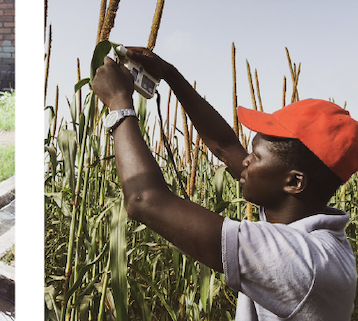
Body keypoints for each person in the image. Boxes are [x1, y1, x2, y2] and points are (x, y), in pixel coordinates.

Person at [91, 47, 358, 319]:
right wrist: (169, 74)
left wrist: (119, 105)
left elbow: (143, 200)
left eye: (255, 157)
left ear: (294, 182)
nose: (244, 161)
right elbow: (225, 146)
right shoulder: (298, 216)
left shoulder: (305, 261)